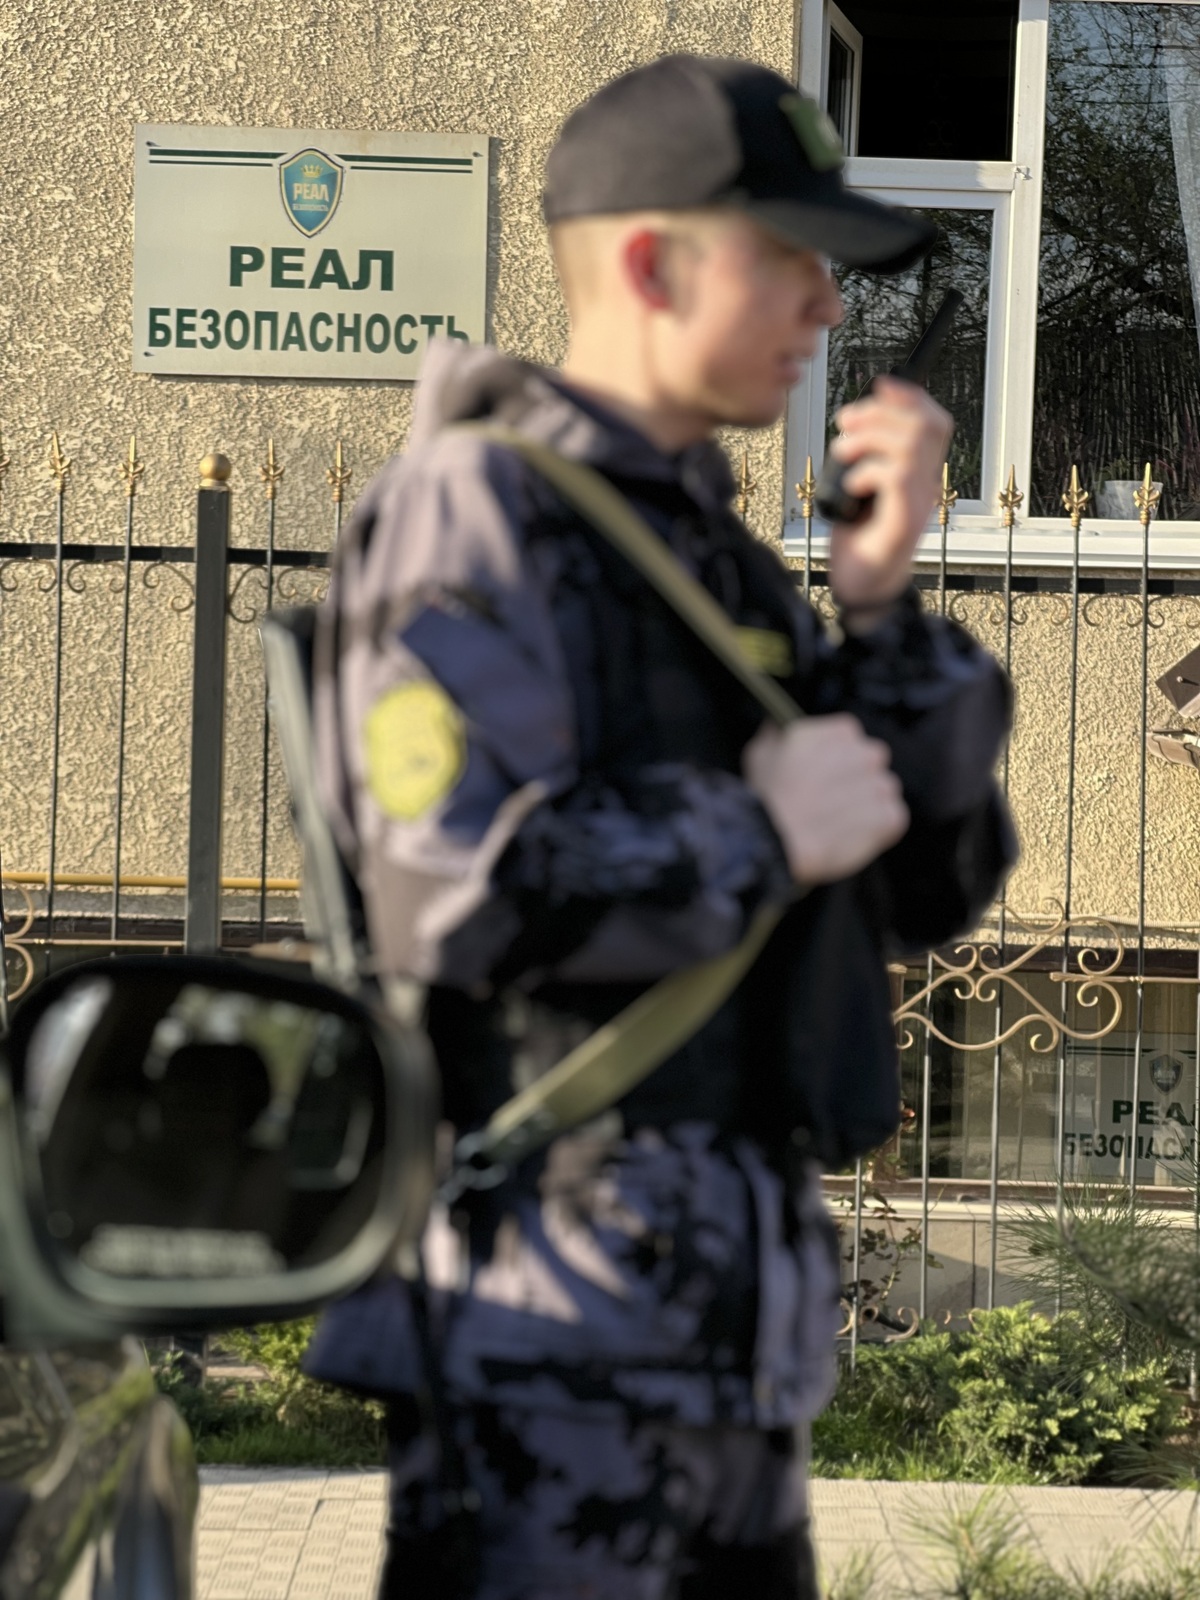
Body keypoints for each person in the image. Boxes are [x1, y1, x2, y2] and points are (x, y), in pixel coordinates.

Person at [314, 53, 1015, 1600]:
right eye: (789, 255)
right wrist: (751, 828)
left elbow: (919, 881)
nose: (828, 303)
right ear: (649, 263)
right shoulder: (474, 509)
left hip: (716, 1347)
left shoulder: (706, 546)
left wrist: (881, 608)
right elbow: (448, 886)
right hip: (546, 1344)